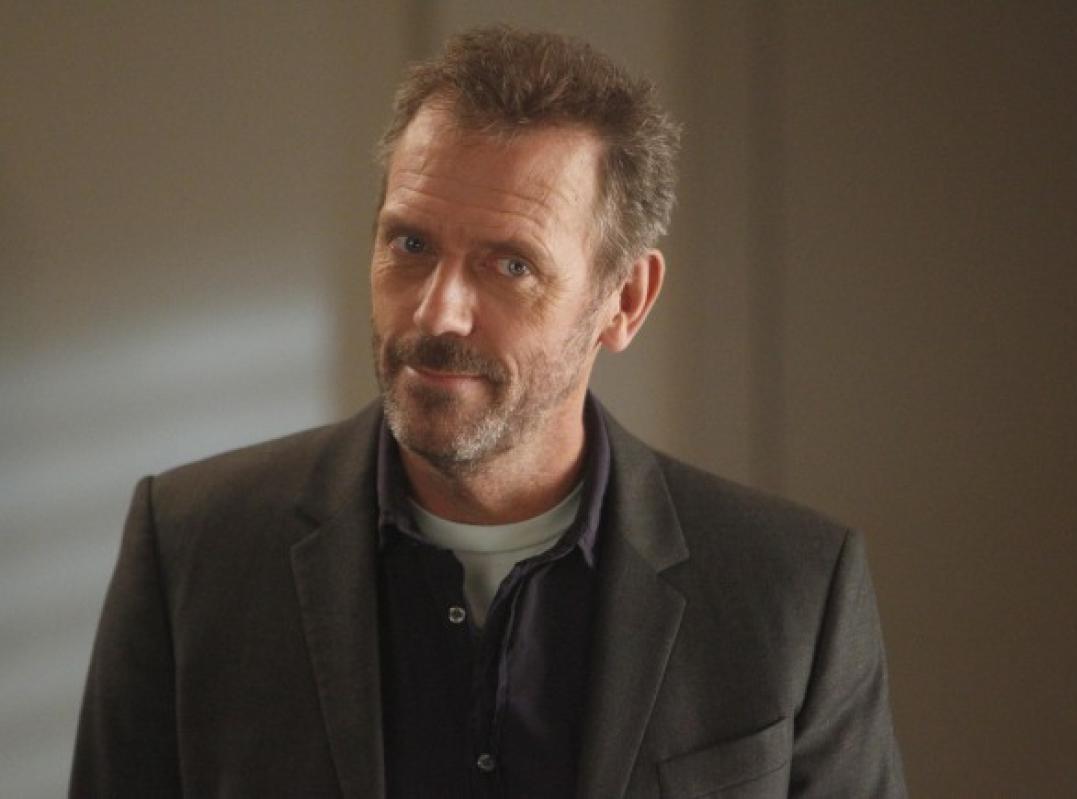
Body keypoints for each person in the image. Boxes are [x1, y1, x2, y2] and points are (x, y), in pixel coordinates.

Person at [71, 25, 906, 798]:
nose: (437, 312)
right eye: (410, 244)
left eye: (510, 265)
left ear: (625, 300)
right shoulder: (190, 550)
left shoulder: (792, 590)